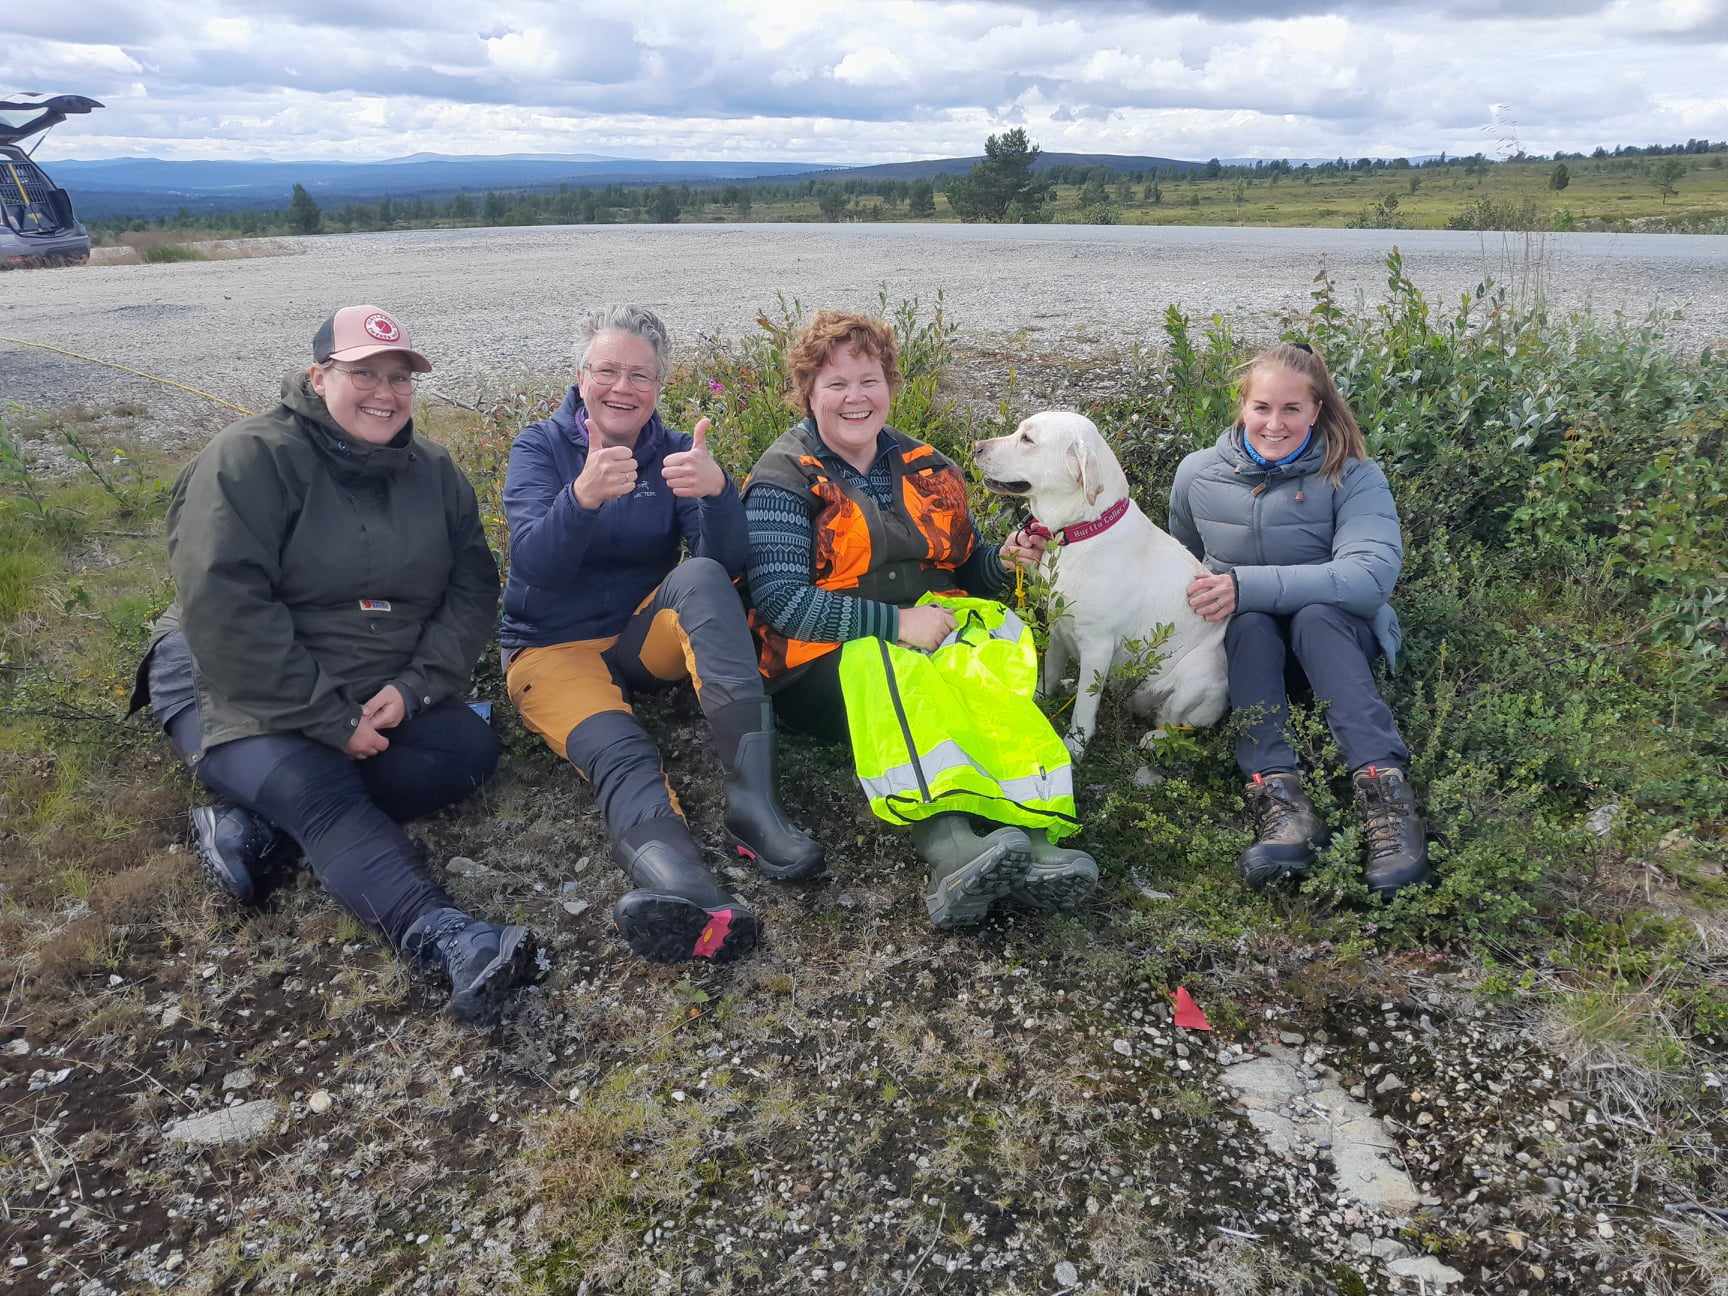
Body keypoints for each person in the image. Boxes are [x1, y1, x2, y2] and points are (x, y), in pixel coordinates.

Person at [131, 305, 537, 1026]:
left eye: (398, 377)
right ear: (320, 377)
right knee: (318, 788)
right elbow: (224, 610)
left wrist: (414, 688)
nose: (384, 393)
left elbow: (474, 589)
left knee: (466, 751)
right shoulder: (248, 458)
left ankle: (254, 829)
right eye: (362, 374)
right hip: (229, 684)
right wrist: (329, 718)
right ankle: (446, 937)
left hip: (364, 684)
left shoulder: (435, 472)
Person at [743, 310, 1099, 927]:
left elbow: (966, 566)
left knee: (990, 658)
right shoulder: (781, 478)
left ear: (891, 386)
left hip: (931, 627)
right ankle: (952, 847)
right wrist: (895, 625)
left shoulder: (929, 468)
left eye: (869, 380)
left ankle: (1036, 843)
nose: (856, 397)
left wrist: (1004, 561)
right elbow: (781, 602)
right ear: (808, 395)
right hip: (820, 663)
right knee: (897, 666)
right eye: (836, 384)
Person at [501, 305, 820, 966]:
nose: (622, 387)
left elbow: (726, 565)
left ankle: (754, 810)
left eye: (639, 375)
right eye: (607, 371)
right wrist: (581, 499)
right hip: (552, 648)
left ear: (660, 385)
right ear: (580, 376)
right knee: (619, 749)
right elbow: (533, 565)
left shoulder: (675, 449)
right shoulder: (541, 448)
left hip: (637, 641)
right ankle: (686, 891)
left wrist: (718, 492)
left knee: (700, 575)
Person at [1167, 341, 1430, 899]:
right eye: (1262, 407)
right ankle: (1282, 804)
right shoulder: (1197, 475)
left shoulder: (1354, 475)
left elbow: (1368, 578)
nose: (1275, 423)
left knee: (1313, 614)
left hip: (1336, 647)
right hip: (1249, 653)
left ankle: (1386, 800)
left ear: (1317, 411)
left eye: (1292, 409)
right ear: (1242, 406)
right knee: (1251, 623)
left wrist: (1243, 585)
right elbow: (1181, 566)